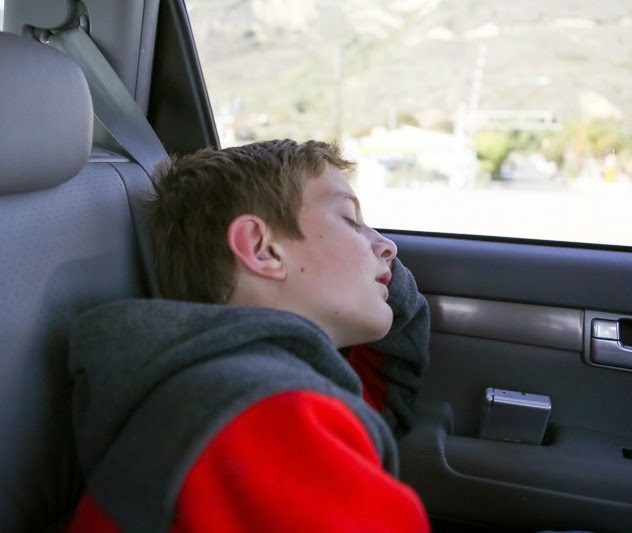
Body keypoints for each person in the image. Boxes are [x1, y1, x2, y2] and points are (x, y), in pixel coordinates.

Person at [66, 139, 431, 532]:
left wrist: (376, 271)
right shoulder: (268, 416)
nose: (388, 246)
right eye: (350, 220)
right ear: (261, 249)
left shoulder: (253, 388)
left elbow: (381, 397)